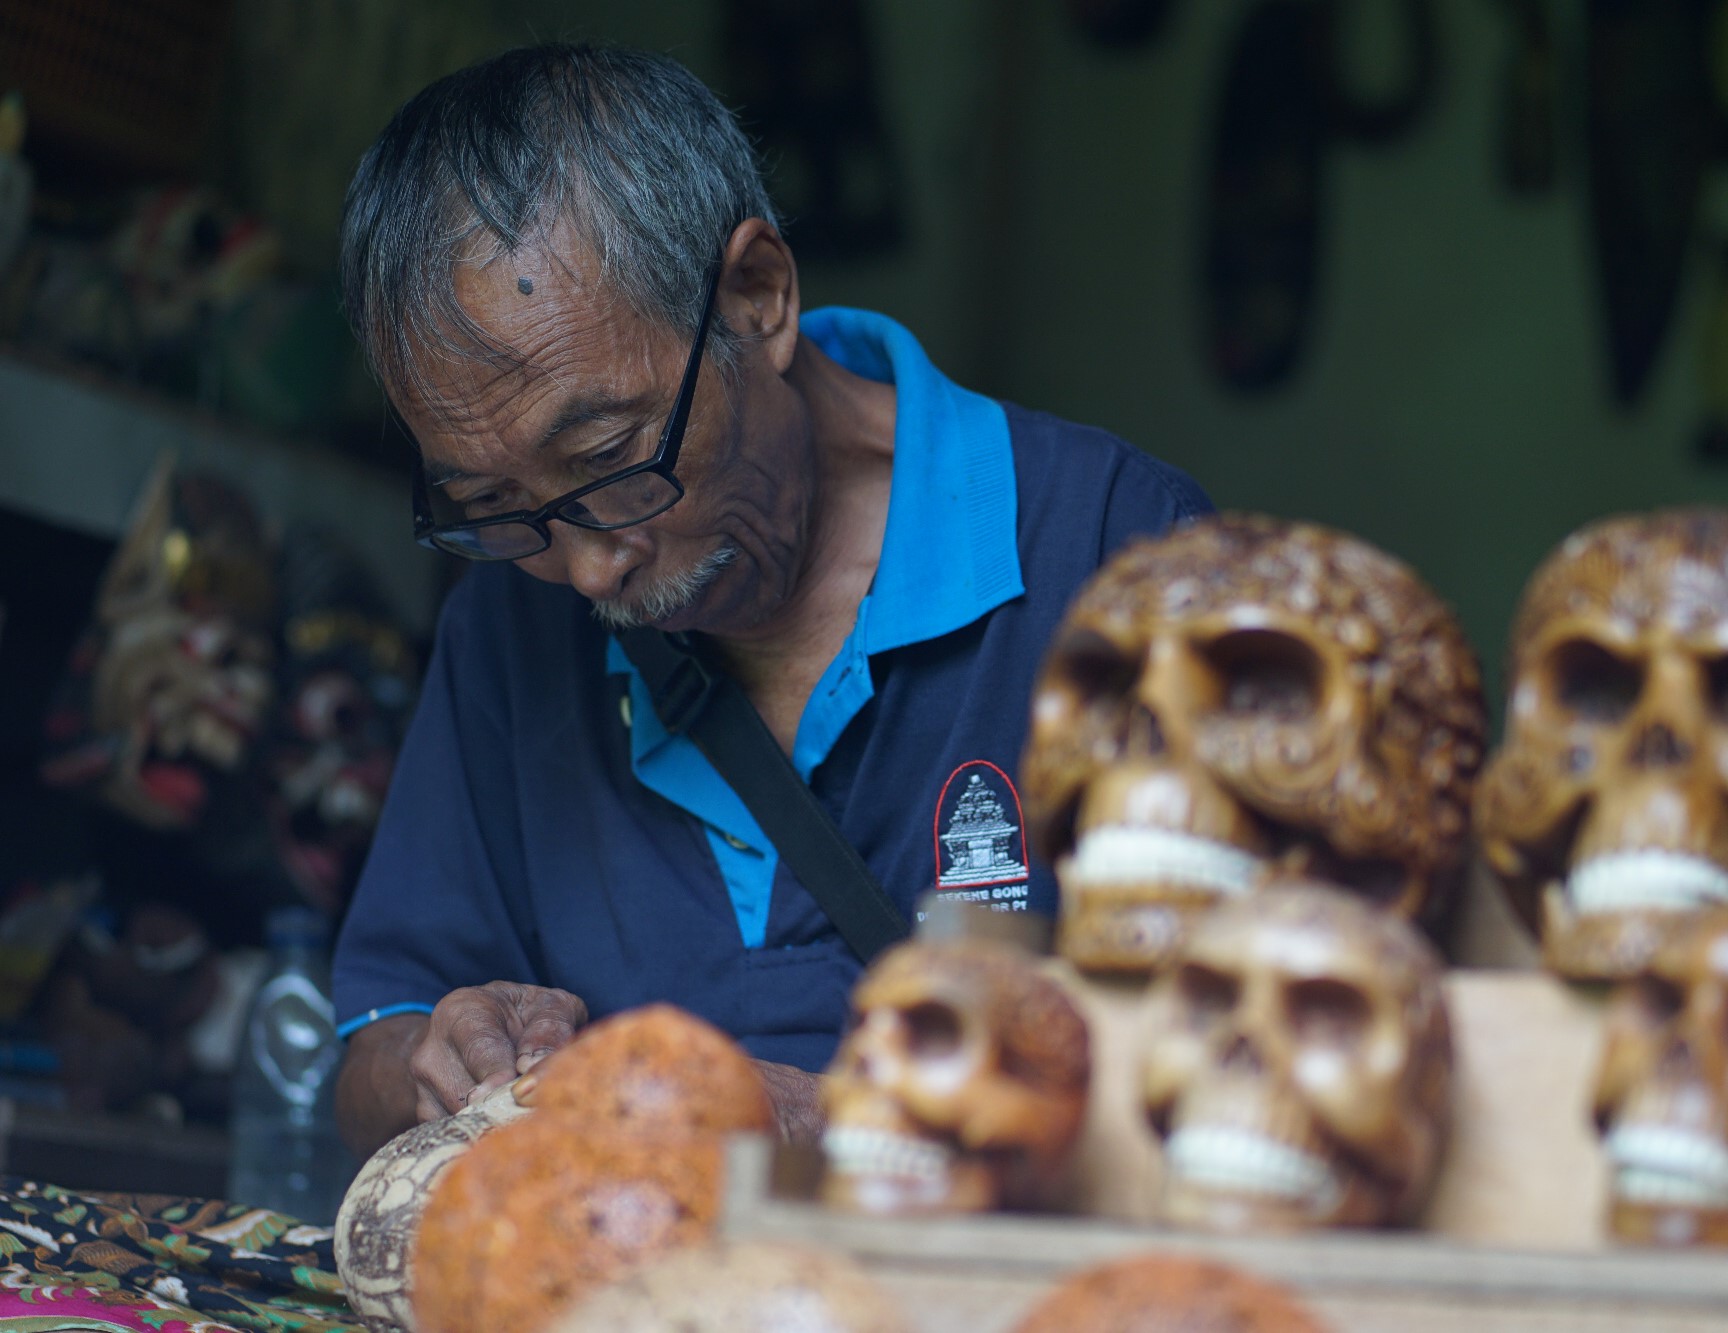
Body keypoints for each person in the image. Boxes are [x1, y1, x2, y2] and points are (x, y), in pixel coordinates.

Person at [331, 43, 1211, 1158]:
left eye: (609, 458)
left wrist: (827, 1127)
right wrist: (434, 1056)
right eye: (492, 503)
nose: (590, 572)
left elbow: (1253, 1063)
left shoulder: (1119, 555)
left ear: (758, 297)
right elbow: (369, 1038)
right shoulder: (508, 620)